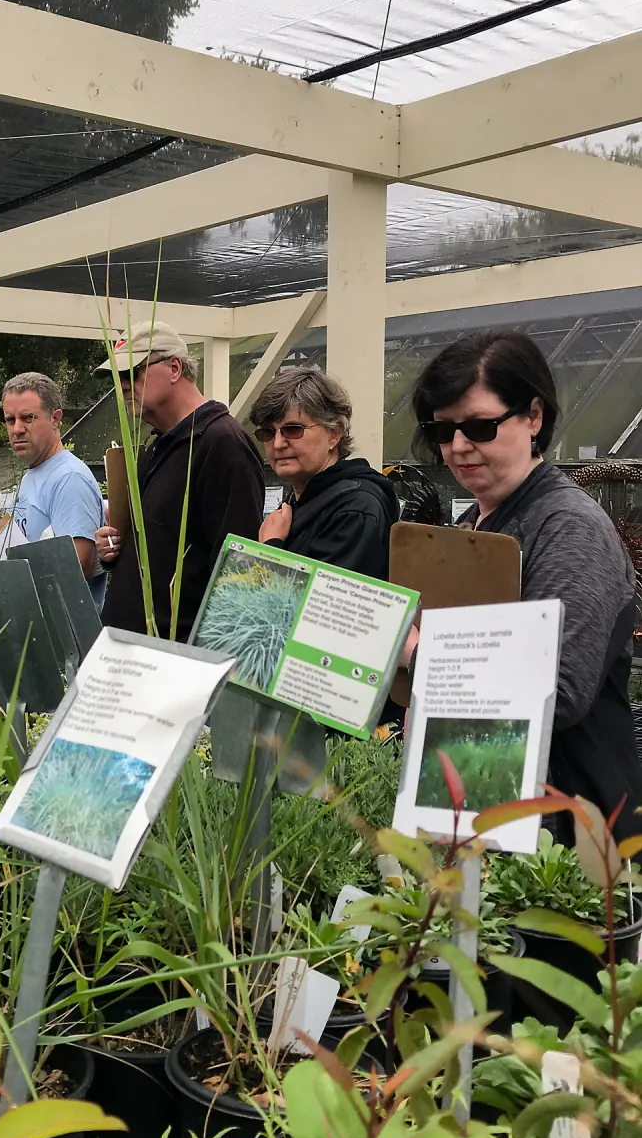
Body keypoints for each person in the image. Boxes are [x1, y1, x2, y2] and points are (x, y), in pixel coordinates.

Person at [411, 330, 642, 839]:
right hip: (481, 805)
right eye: (443, 431)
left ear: (533, 416)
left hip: (569, 838)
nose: (458, 447)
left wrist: (417, 653)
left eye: (479, 426)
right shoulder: (471, 526)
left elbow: (556, 692)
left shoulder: (569, 530)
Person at [94, 320, 265, 640]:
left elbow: (238, 571)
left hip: (173, 658)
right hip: (132, 651)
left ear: (174, 367)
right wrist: (118, 550)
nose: (123, 385)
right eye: (117, 377)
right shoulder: (163, 444)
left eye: (132, 372)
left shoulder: (222, 444)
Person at [251, 368, 400, 578]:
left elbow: (324, 605)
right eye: (267, 432)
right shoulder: (306, 496)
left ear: (334, 433)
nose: (277, 444)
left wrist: (270, 548)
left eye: (293, 429)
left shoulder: (355, 510)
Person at [2, 372, 107, 610]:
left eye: (28, 418)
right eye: (10, 420)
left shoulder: (69, 478)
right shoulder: (34, 473)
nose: (17, 429)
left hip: (64, 637)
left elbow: (76, 563)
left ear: (55, 418)